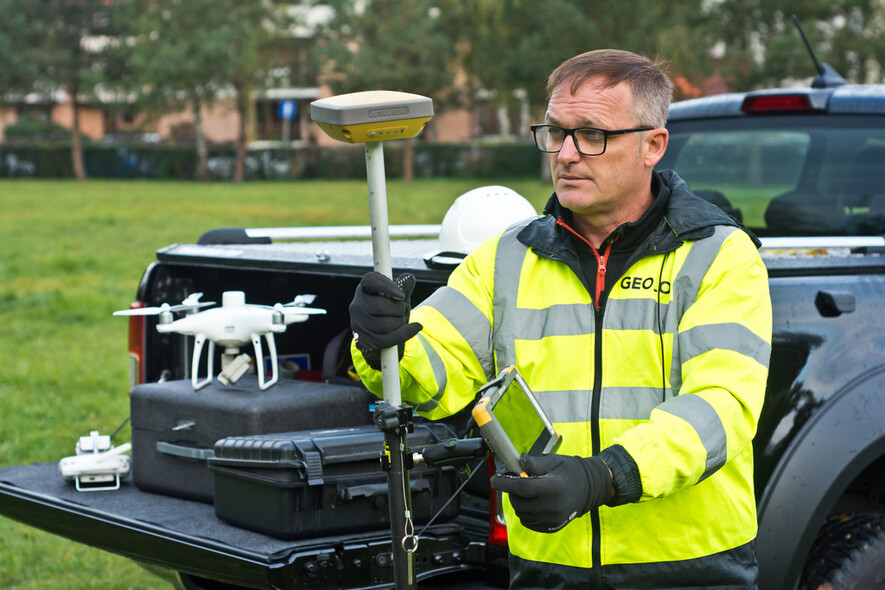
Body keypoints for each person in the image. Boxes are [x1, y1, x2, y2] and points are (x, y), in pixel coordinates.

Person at [349, 49, 772, 589]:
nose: (567, 154)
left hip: (688, 566)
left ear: (653, 146)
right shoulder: (505, 257)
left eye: (592, 134)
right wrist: (381, 341)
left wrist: (603, 477)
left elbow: (722, 407)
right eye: (556, 132)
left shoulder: (719, 255)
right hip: (549, 565)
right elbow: (433, 377)